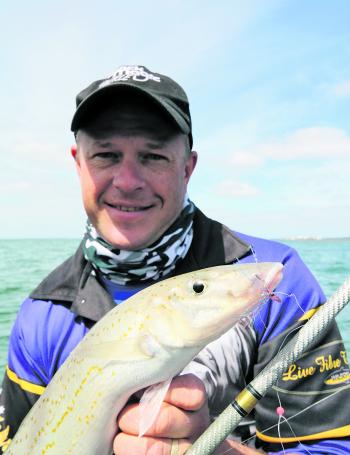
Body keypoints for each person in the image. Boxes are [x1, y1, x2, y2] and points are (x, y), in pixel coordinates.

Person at [1, 65, 349, 455]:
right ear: (78, 163)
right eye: (105, 155)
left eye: (153, 156)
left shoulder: (278, 280)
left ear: (188, 167)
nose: (128, 180)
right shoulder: (40, 314)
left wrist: (218, 451)